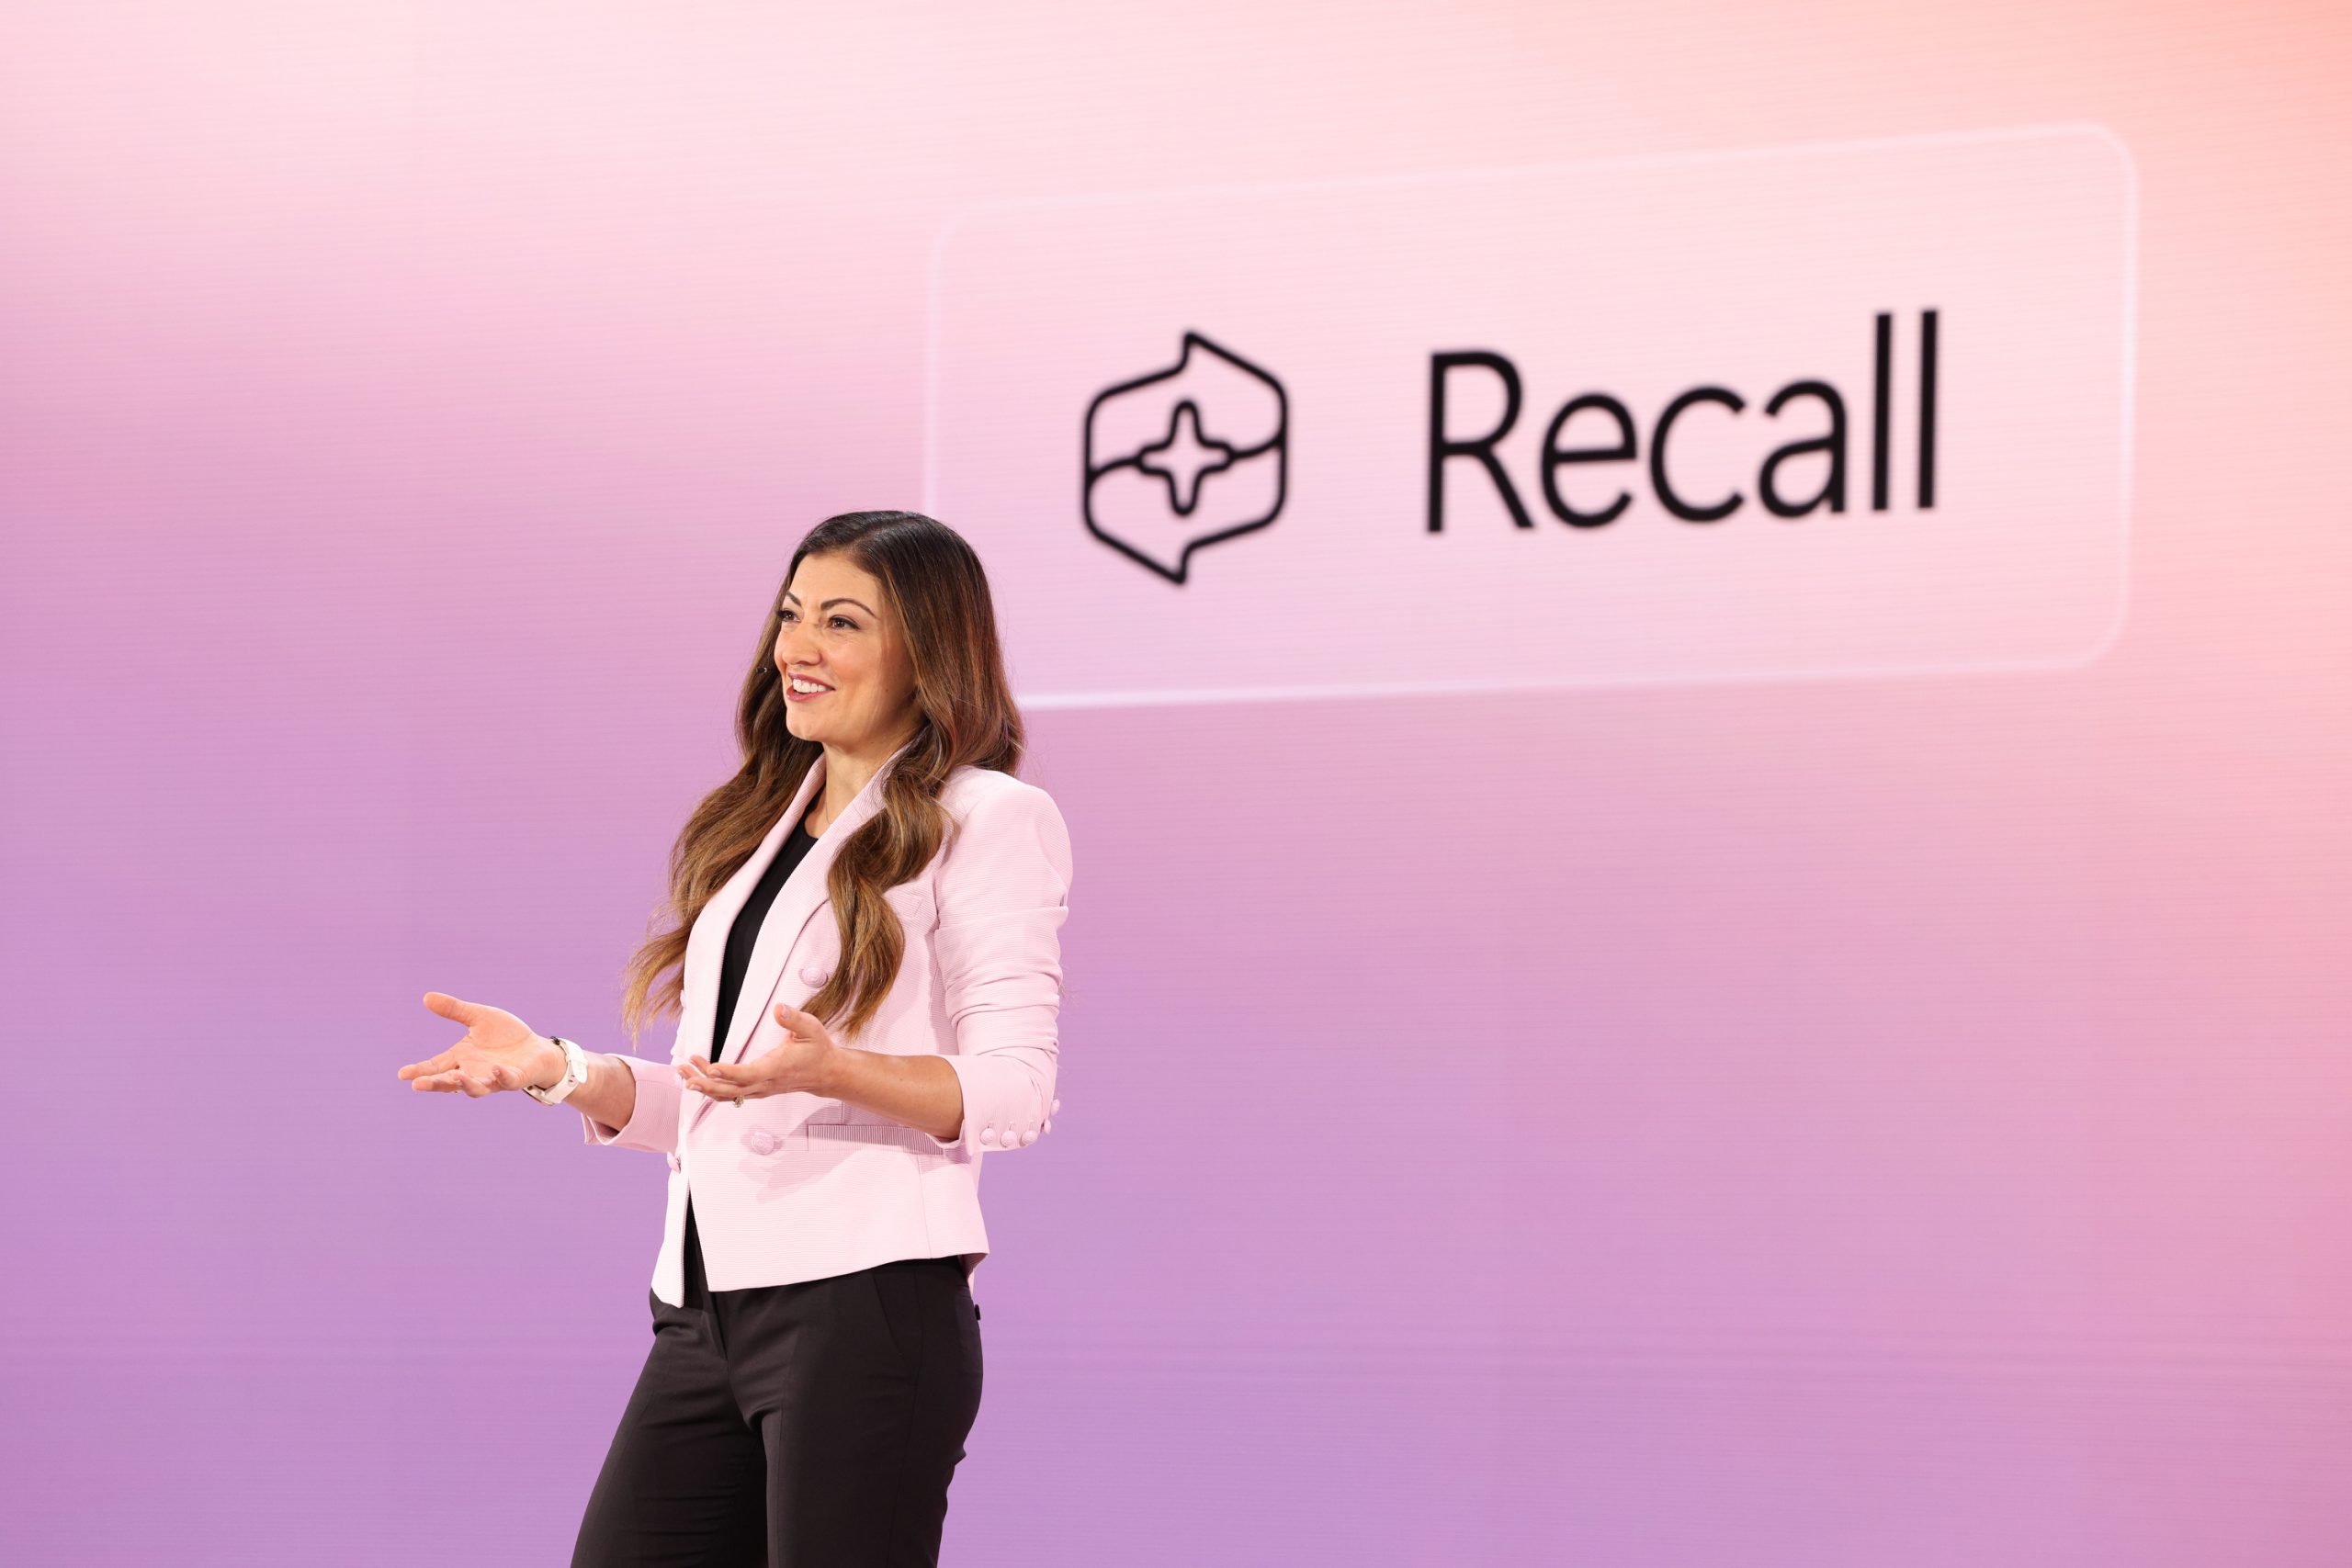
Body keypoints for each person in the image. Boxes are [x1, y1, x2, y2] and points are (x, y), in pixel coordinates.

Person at [396, 510, 1074, 1567]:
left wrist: (840, 1068)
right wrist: (558, 1071)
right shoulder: (758, 831)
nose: (797, 648)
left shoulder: (989, 818)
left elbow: (1015, 1089)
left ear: (927, 652)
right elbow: (725, 1100)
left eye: (842, 623)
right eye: (793, 614)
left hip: (864, 1313)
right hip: (701, 1314)